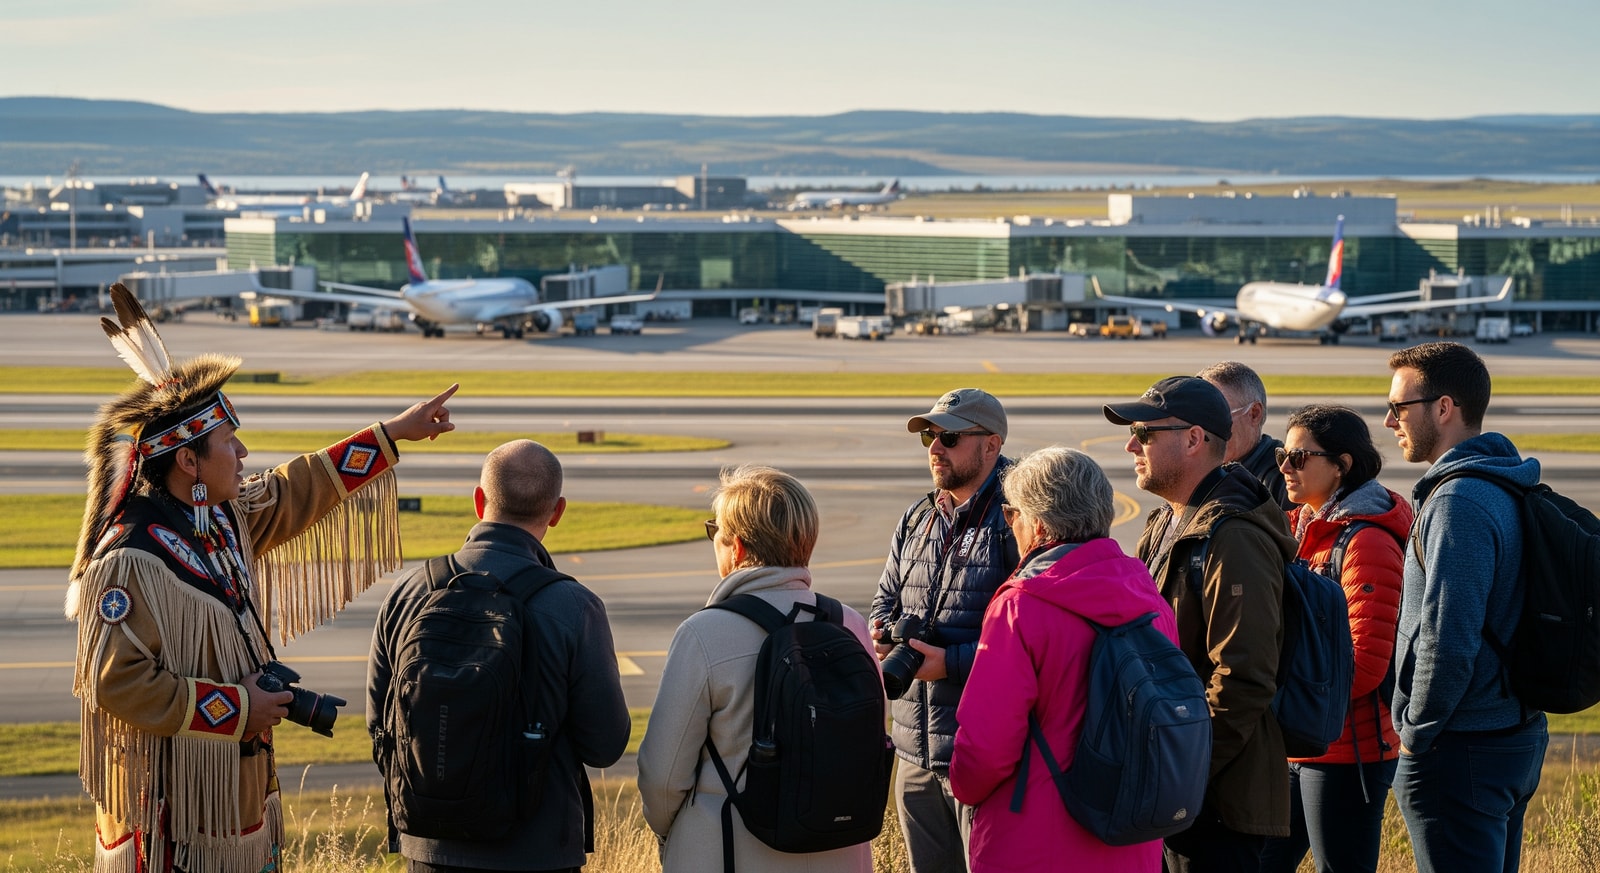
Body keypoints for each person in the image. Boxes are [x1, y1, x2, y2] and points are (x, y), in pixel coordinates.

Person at [67, 284, 457, 873]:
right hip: (175, 818)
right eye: (230, 443)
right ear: (189, 463)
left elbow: (298, 487)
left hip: (235, 798)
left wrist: (392, 434)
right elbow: (117, 685)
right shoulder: (130, 559)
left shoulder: (224, 520)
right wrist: (234, 707)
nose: (244, 453)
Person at [367, 440, 630, 873]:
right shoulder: (573, 606)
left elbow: (381, 727)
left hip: (428, 847)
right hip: (537, 851)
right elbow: (605, 745)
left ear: (478, 500)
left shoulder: (409, 591)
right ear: (557, 511)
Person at [637, 464, 877, 873]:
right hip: (840, 852)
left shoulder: (705, 633)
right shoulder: (850, 624)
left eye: (717, 533)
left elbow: (662, 777)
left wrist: (676, 835)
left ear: (739, 549)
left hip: (728, 850)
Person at [1103, 375, 1297, 873]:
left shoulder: (1233, 535)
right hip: (1176, 791)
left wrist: (1180, 770)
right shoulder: (1166, 522)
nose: (1131, 444)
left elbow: (1243, 677)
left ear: (1193, 439)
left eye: (1145, 433)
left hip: (1215, 804)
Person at [950, 446, 1173, 873]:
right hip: (1129, 836)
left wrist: (963, 785)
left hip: (1034, 839)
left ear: (1036, 522)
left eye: (1011, 514)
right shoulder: (1150, 599)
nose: (1009, 524)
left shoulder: (1022, 606)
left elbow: (987, 746)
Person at [1383, 342, 1547, 873]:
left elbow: (1447, 639)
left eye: (1399, 407)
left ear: (1444, 408)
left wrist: (1415, 734)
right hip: (1509, 732)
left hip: (1462, 747)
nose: (1389, 421)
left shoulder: (1458, 503)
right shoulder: (1504, 481)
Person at [870, 388, 1019, 873]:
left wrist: (949, 663)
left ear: (991, 446)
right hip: (913, 750)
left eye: (949, 437)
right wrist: (884, 632)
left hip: (981, 753)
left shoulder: (1017, 521)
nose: (935, 447)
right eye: (931, 436)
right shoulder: (917, 516)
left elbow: (1036, 641)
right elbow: (884, 598)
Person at [1257, 405, 1411, 873]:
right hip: (1302, 739)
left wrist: (1275, 687)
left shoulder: (1365, 542)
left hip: (1347, 751)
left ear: (1342, 465)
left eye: (1299, 458)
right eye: (1283, 455)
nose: (1284, 467)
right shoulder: (1306, 528)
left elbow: (1365, 665)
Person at [1198, 361, 1293, 511]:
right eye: (1197, 417)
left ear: (1254, 414)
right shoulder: (1199, 472)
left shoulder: (1286, 481)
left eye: (1217, 415)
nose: (1202, 429)